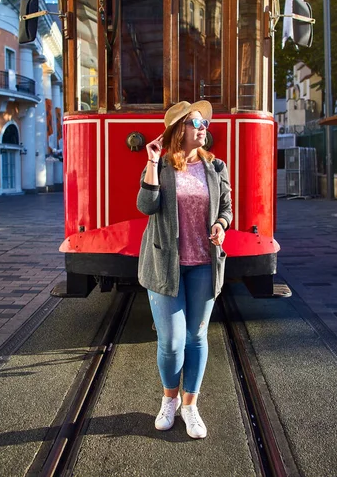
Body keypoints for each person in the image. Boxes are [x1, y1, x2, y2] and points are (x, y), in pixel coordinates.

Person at [137, 100, 232, 439]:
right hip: (166, 265)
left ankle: (190, 406)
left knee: (196, 337)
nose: (204, 126)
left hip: (204, 264)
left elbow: (226, 206)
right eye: (196, 122)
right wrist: (150, 160)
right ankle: (169, 400)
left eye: (204, 122)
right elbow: (147, 205)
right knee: (172, 341)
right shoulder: (161, 167)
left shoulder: (216, 166)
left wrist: (221, 224)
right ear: (180, 130)